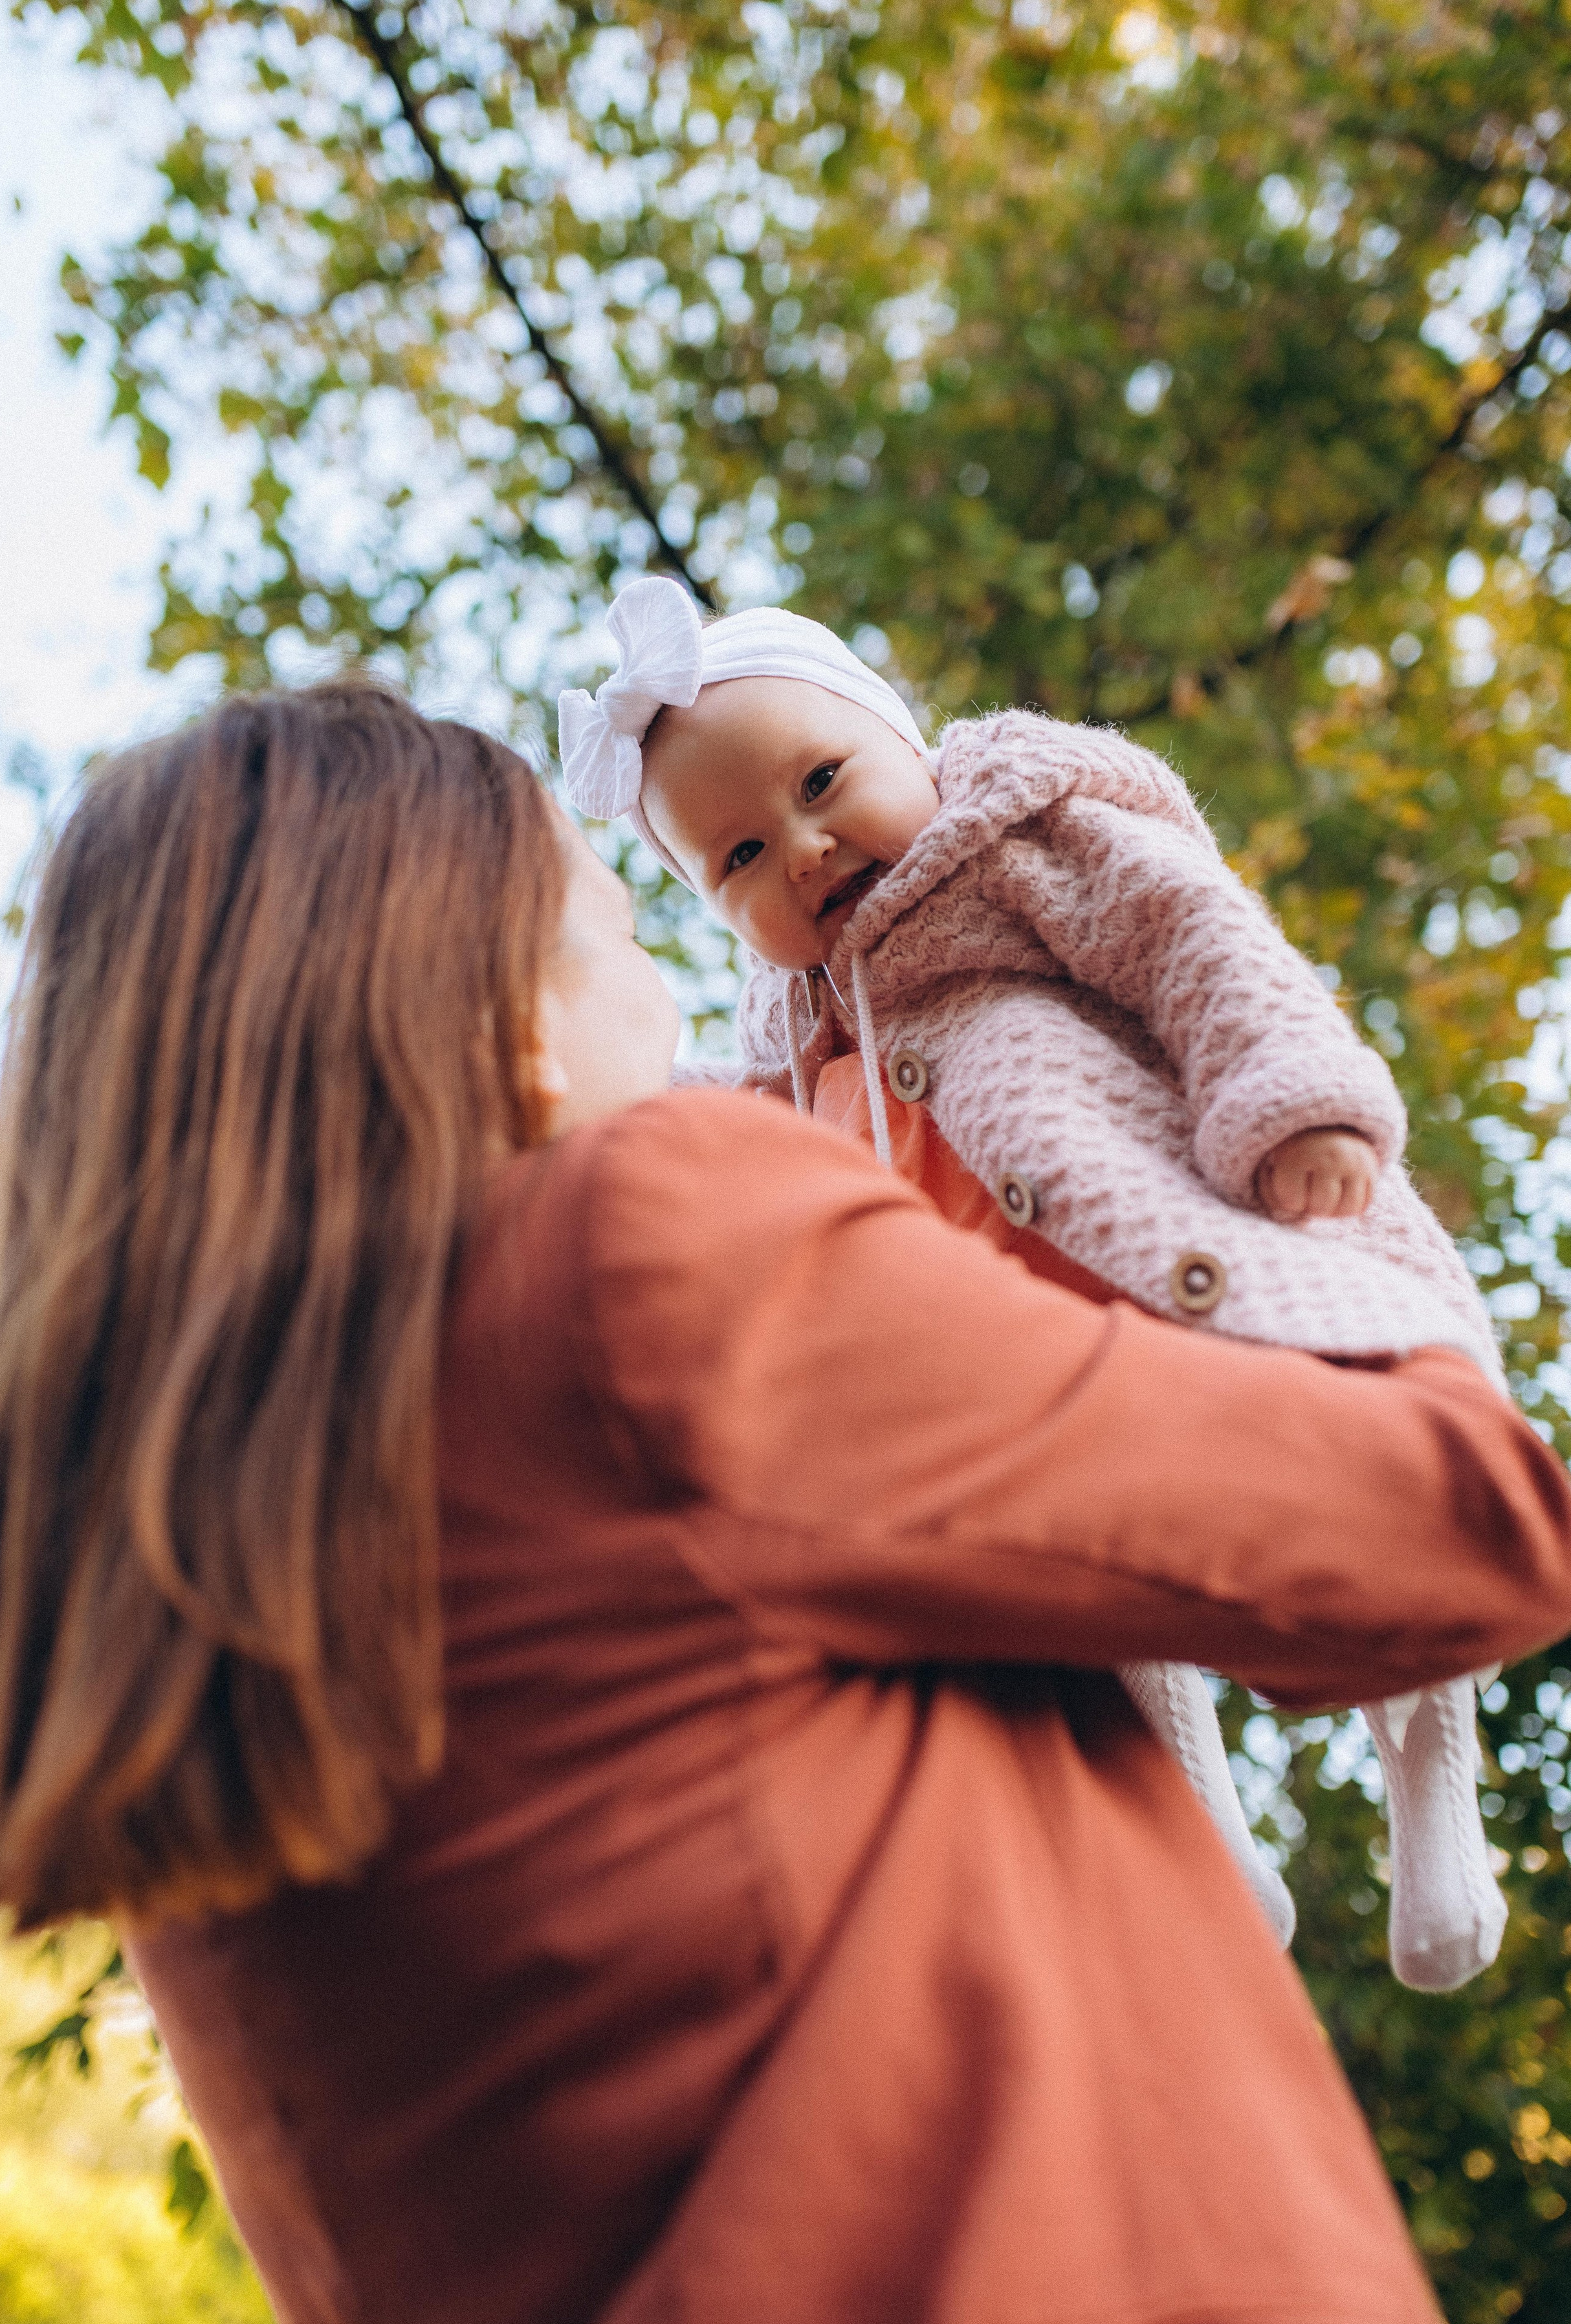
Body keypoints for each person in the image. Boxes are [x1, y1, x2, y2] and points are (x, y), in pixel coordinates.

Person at [0, 675, 1569, 2324]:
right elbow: (1452, 1523)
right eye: (632, 932)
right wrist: (1228, 1190)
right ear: (508, 1019)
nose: (690, 1012)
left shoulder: (185, 1593)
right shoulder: (633, 1258)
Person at [559, 575, 1506, 1991]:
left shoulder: (1013, 848)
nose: (805, 847)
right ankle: (1206, 1839)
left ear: (906, 740)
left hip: (1174, 1248)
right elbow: (720, 1127)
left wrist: (1289, 1095)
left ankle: (1432, 1784)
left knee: (1355, 1470)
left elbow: (1193, 936)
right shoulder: (796, 1025)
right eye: (740, 856)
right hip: (1032, 1352)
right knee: (1100, 1582)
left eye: (823, 781)